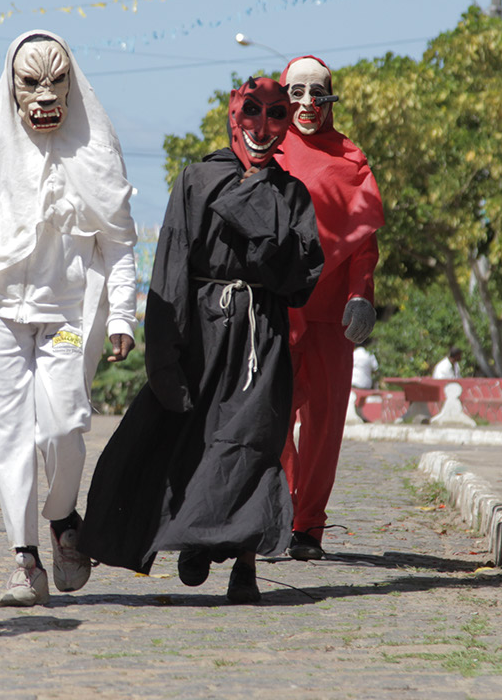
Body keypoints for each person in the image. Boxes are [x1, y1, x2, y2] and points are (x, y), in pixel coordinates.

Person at [79, 76, 324, 604]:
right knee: (197, 441)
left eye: (275, 115)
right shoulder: (195, 180)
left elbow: (302, 282)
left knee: (253, 445)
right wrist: (165, 355)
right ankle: (198, 538)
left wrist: (265, 230)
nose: (261, 127)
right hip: (204, 337)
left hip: (262, 340)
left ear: (286, 125)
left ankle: (245, 564)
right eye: (251, 112)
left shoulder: (292, 194)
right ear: (234, 116)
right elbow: (170, 269)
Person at [0, 30, 138, 608]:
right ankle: (24, 560)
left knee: (62, 428)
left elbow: (120, 242)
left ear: (72, 84)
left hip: (68, 319)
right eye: (30, 82)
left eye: (56, 80)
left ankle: (62, 517)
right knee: (8, 438)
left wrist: (124, 313)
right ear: (12, 87)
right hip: (3, 315)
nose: (44, 94)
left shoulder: (95, 152)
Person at [277, 55, 384, 562]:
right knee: (270, 417)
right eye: (296, 92)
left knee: (323, 424)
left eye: (318, 93)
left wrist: (361, 294)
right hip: (277, 310)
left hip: (331, 315)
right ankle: (277, 510)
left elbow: (364, 242)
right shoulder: (265, 149)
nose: (307, 103)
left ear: (331, 99)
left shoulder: (351, 160)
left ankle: (308, 526)